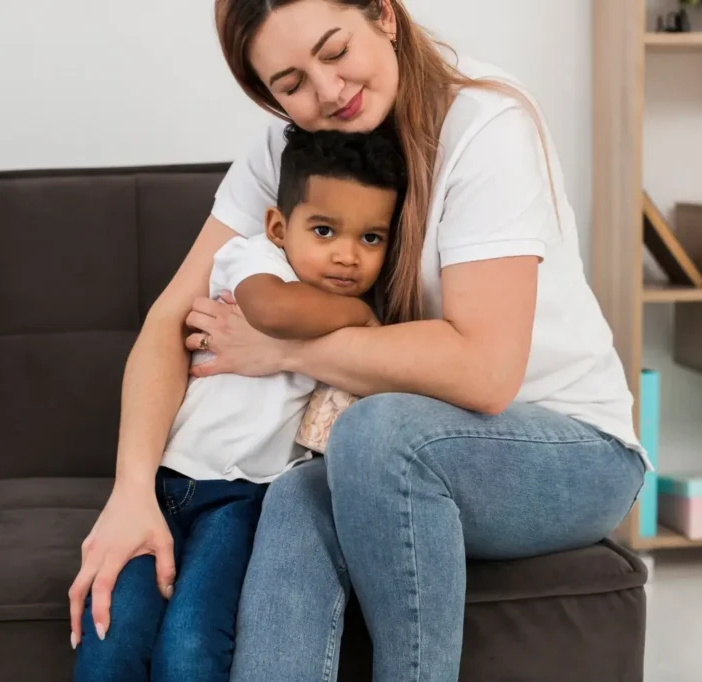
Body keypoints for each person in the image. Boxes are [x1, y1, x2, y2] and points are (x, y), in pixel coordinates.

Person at [69, 1, 652, 680]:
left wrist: (285, 349)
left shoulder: (486, 125)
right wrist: (132, 491)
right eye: (290, 84)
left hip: (570, 452)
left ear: (383, 16)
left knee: (375, 435)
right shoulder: (290, 152)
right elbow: (171, 319)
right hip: (396, 450)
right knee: (292, 494)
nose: (327, 91)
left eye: (334, 50)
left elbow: (486, 373)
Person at [69, 124, 407, 681]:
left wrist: (362, 321)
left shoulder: (341, 312)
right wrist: (362, 317)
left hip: (243, 499)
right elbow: (271, 311)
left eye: (371, 238)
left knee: (193, 642)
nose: (347, 256)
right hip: (163, 482)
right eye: (324, 230)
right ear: (279, 226)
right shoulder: (254, 259)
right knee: (113, 632)